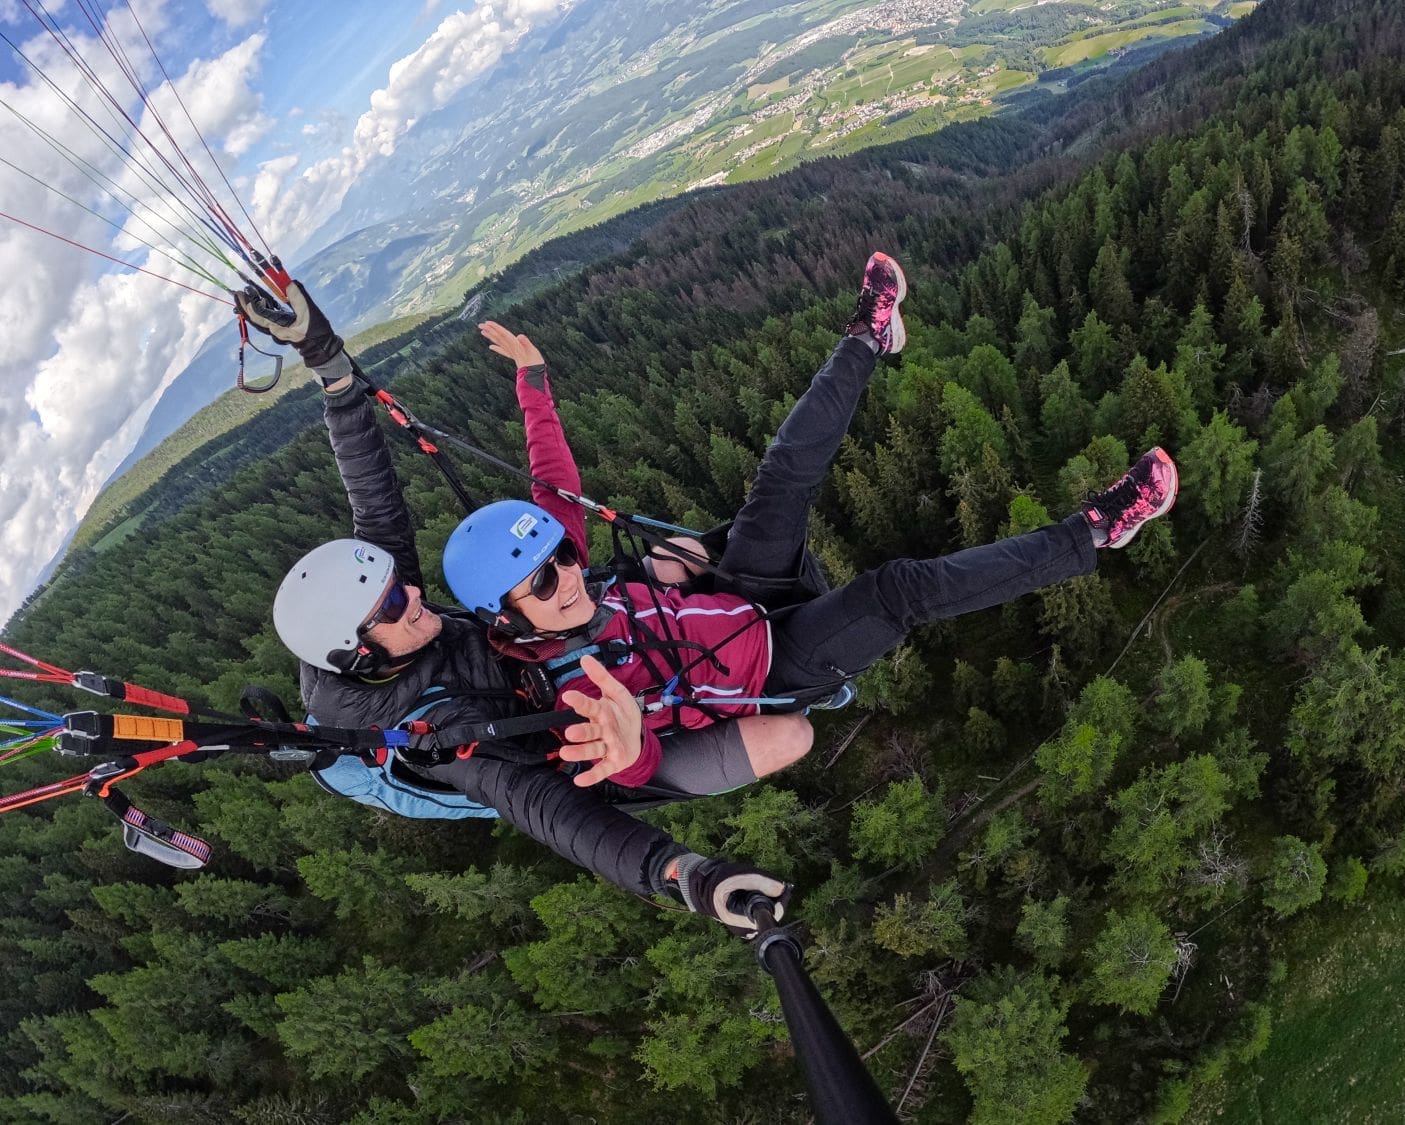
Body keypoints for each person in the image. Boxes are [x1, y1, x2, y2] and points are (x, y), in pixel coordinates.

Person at [443, 252, 1179, 790]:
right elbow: (639, 769)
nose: (568, 573)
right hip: (777, 664)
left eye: (562, 559)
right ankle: (1096, 531)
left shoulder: (556, 578)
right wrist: (634, 751)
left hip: (734, 591)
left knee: (781, 477)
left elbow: (553, 485)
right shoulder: (575, 694)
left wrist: (534, 382)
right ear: (504, 619)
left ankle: (867, 337)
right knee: (899, 590)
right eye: (544, 579)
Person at [235, 279, 812, 932]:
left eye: (400, 581)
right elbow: (546, 809)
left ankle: (749, 612)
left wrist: (329, 368)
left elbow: (374, 496)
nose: (417, 594)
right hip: (574, 748)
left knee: (684, 555)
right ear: (361, 653)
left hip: (538, 659)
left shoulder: (383, 626)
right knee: (787, 732)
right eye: (395, 601)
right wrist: (684, 874)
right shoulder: (439, 737)